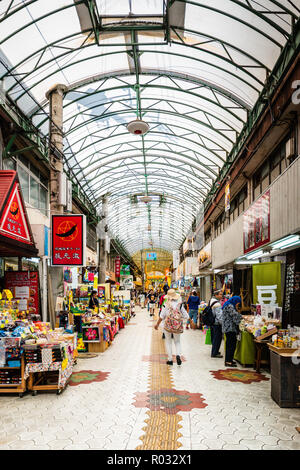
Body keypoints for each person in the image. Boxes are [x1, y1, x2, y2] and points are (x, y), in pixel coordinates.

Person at [154, 289, 189, 365]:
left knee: (168, 341)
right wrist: (190, 322)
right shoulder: (180, 304)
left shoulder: (166, 304)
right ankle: (178, 355)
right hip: (177, 325)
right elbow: (186, 315)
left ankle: (170, 360)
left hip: (167, 325)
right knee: (177, 341)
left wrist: (157, 324)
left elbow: (161, 316)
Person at [221, 296, 243, 367]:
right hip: (229, 328)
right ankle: (228, 361)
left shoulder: (228, 304)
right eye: (237, 303)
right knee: (231, 345)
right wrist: (242, 317)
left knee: (230, 344)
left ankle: (229, 359)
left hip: (228, 328)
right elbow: (234, 316)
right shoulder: (229, 306)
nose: (237, 305)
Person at [209, 290, 224, 358]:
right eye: (220, 294)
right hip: (216, 323)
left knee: (214, 338)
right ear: (216, 295)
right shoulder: (217, 304)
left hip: (212, 322)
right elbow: (219, 315)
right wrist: (222, 323)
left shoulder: (211, 300)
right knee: (217, 338)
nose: (221, 296)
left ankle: (215, 351)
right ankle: (214, 353)